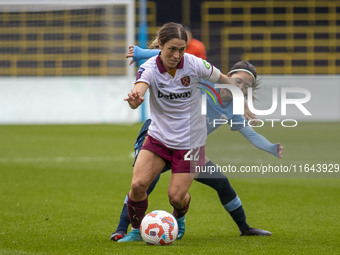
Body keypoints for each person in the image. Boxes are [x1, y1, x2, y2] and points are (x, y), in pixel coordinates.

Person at [111, 42, 283, 241]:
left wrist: (271, 148)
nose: (240, 87)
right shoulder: (205, 79)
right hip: (158, 135)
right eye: (238, 81)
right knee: (144, 183)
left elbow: (250, 134)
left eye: (246, 86)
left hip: (187, 146)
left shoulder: (233, 109)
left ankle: (244, 227)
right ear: (228, 77)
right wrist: (141, 53)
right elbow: (178, 57)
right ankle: (122, 229)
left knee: (221, 183)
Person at [117, 22, 238, 243]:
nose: (176, 54)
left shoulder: (194, 64)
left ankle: (179, 218)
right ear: (160, 46)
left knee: (176, 197)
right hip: (158, 138)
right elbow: (139, 91)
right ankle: (135, 231)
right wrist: (135, 100)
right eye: (172, 49)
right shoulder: (150, 68)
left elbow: (224, 80)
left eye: (181, 49)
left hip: (189, 142)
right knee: (137, 185)